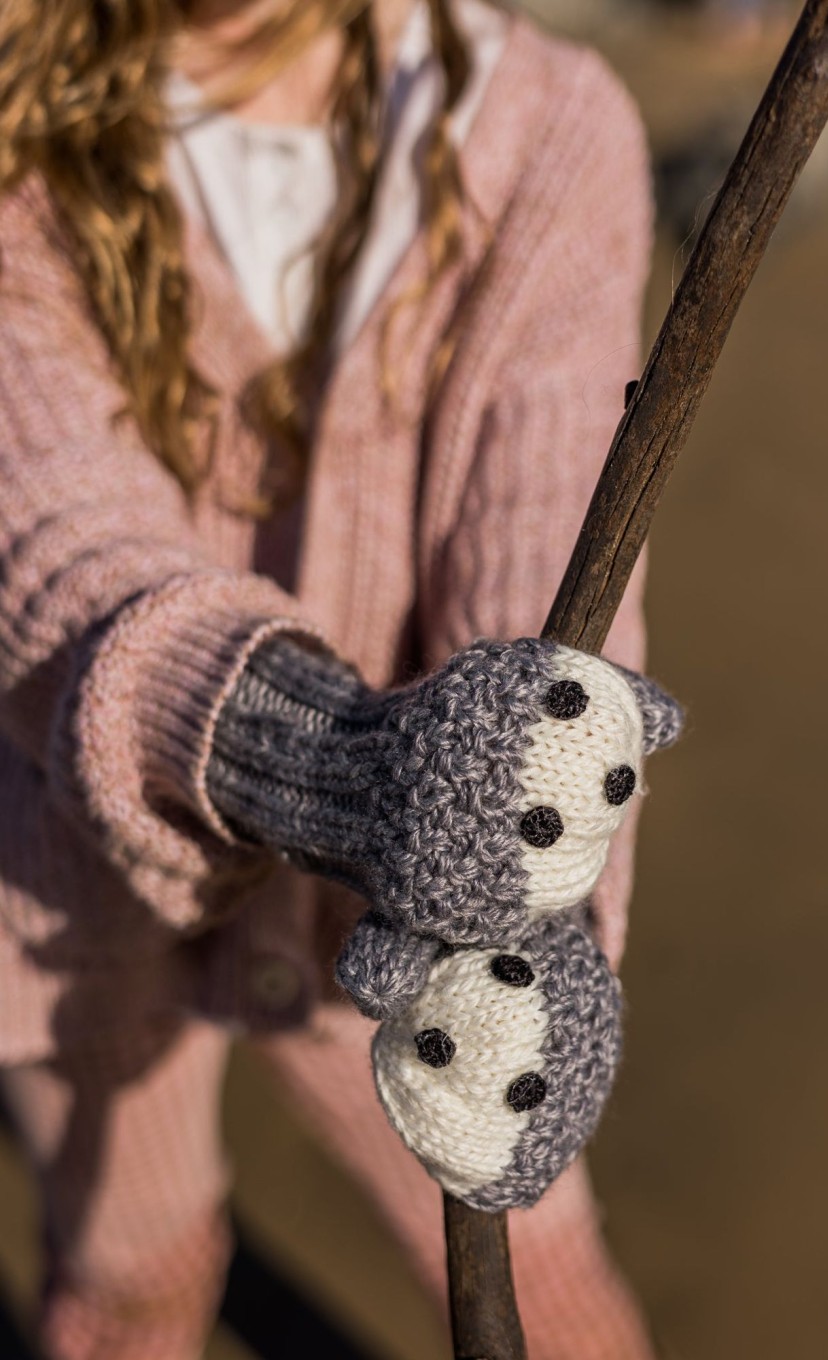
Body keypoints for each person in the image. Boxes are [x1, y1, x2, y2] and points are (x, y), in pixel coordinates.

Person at [0, 1, 659, 1357]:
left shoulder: (545, 136)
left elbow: (549, 577)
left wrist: (547, 907)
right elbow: (52, 530)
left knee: (546, 1296)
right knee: (133, 1273)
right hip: (75, 882)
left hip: (415, 902)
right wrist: (334, 764)